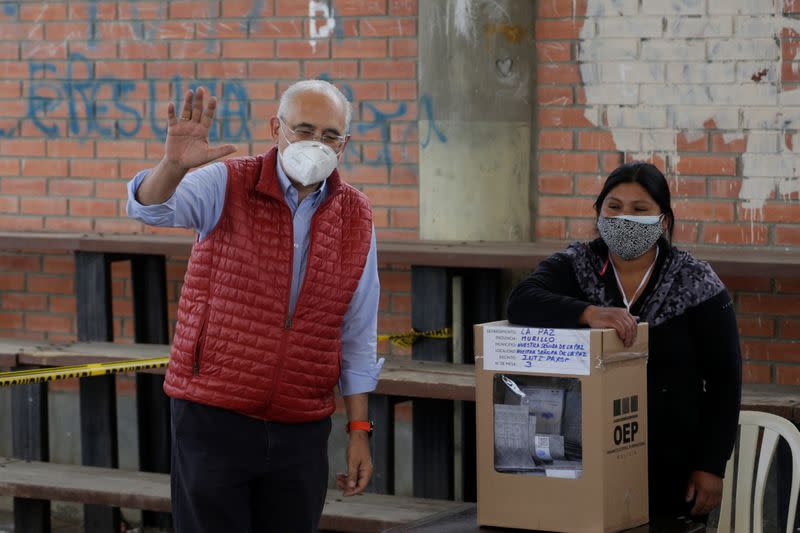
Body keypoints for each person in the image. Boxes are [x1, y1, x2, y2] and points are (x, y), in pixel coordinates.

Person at [126, 80, 383, 533]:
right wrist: (172, 165)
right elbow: (150, 209)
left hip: (300, 426)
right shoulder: (228, 182)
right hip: (213, 415)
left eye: (329, 136)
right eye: (304, 130)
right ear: (275, 128)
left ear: (344, 145)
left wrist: (359, 430)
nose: (316, 145)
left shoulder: (356, 216)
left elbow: (357, 334)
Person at [507, 162, 741, 521]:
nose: (624, 218)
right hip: (583, 459)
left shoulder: (695, 282)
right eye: (613, 207)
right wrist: (588, 312)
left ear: (663, 220)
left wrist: (712, 466)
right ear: (598, 214)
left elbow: (725, 380)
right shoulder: (576, 265)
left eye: (640, 209)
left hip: (671, 466)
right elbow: (521, 300)